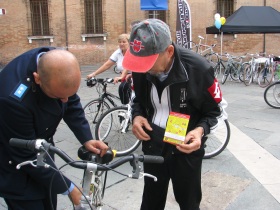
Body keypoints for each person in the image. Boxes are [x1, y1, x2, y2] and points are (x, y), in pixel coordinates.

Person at [123, 19, 223, 210]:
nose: (142, 69)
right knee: (151, 201)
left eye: (148, 62)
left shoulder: (198, 69)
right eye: (138, 62)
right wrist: (136, 116)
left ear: (169, 52)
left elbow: (216, 111)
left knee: (189, 202)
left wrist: (201, 131)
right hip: (153, 143)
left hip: (185, 146)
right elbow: (137, 99)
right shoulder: (139, 67)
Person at [0, 47, 109, 209]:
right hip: (18, 169)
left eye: (69, 94)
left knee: (50, 200)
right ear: (37, 79)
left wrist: (87, 139)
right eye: (59, 97)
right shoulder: (13, 100)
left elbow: (71, 104)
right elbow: (26, 155)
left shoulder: (58, 63)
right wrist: (70, 188)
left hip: (43, 154)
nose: (65, 100)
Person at [87, 34, 132, 104]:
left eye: (124, 42)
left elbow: (126, 67)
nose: (121, 44)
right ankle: (126, 107)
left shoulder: (131, 52)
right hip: (123, 77)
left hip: (134, 76)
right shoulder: (118, 52)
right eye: (120, 42)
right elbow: (107, 65)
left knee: (122, 88)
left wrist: (121, 77)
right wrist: (94, 74)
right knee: (124, 92)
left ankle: (125, 109)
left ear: (129, 43)